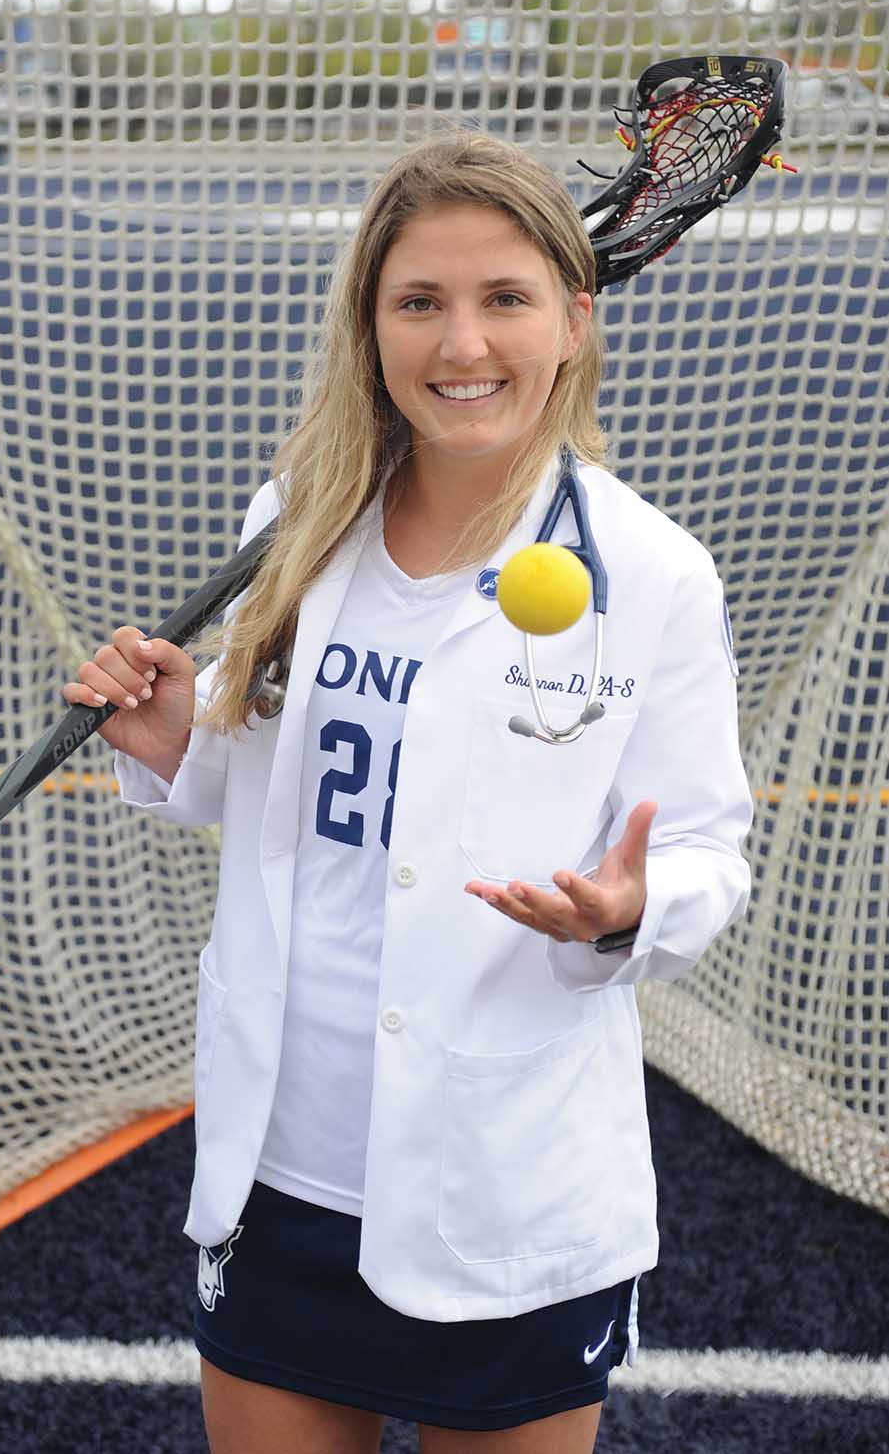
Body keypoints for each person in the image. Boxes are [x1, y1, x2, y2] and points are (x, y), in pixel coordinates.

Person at [64, 129, 752, 1454]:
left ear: (572, 319)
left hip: (496, 1179)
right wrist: (172, 741)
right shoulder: (296, 518)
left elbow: (709, 855)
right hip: (283, 1163)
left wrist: (624, 909)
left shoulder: (653, 575)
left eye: (504, 299)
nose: (462, 346)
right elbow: (278, 793)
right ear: (369, 324)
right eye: (419, 302)